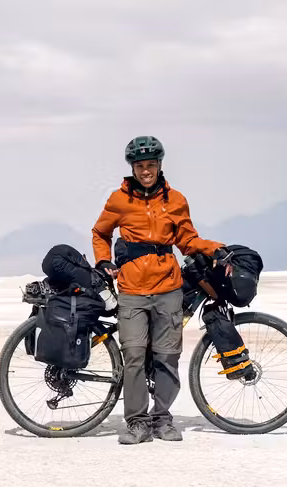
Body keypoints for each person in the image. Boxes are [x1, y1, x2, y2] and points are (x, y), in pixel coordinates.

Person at [92, 135, 232, 445]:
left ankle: (163, 418)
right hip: (131, 288)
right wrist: (103, 261)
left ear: (159, 166)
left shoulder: (176, 200)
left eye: (150, 165)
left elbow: (187, 241)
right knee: (134, 355)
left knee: (167, 356)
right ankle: (137, 422)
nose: (145, 171)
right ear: (133, 168)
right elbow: (100, 233)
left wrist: (214, 249)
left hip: (168, 287)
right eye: (140, 166)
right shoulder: (119, 200)